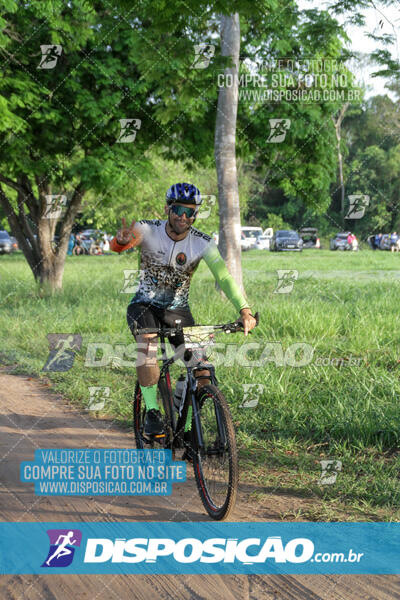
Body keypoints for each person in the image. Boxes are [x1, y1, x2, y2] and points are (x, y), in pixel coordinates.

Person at [110, 182, 257, 437]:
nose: (183, 217)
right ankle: (153, 411)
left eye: (190, 212)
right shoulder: (147, 229)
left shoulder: (202, 243)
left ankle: (189, 430)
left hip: (178, 311)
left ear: (196, 214)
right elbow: (120, 244)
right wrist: (120, 242)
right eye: (178, 210)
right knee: (147, 345)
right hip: (145, 305)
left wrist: (245, 310)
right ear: (168, 208)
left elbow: (224, 278)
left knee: (202, 369)